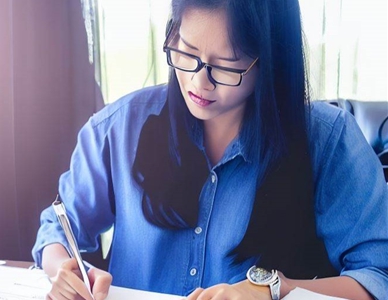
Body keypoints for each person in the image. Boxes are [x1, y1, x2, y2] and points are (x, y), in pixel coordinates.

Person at [32, 0, 388, 299]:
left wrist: (273, 290)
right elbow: (58, 230)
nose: (199, 82)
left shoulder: (329, 141)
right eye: (186, 53)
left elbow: (378, 275)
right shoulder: (117, 129)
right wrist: (64, 269)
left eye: (226, 66)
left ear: (271, 61)